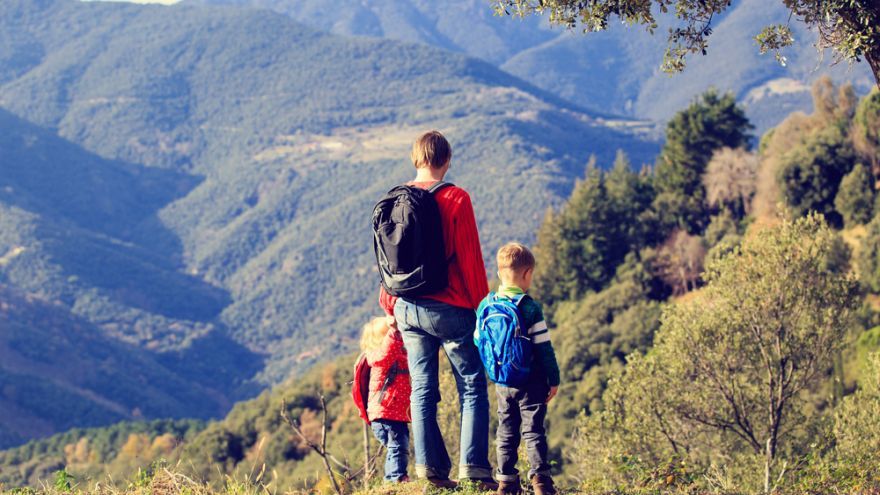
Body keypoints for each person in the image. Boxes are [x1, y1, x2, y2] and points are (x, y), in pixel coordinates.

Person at [378, 130, 494, 490]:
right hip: (451, 308)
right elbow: (470, 259)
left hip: (407, 308)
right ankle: (473, 468)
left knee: (422, 389)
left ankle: (429, 468)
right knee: (472, 385)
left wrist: (389, 302)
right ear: (447, 159)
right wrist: (483, 309)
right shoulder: (457, 198)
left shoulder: (397, 199)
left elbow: (388, 261)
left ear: (416, 159)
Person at [482, 243, 560, 495]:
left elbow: (478, 341)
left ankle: (506, 481)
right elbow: (544, 348)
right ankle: (541, 482)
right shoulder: (529, 307)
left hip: (502, 381)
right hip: (531, 381)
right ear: (527, 273)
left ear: (499, 271)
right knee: (533, 430)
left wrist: (496, 371)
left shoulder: (487, 304)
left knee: (505, 430)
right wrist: (553, 378)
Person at [360, 316, 411, 483]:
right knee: (398, 446)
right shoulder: (379, 357)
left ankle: (391, 478)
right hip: (387, 413)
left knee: (395, 447)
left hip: (390, 412)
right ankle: (396, 477)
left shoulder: (395, 357)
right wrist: (394, 331)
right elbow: (387, 351)